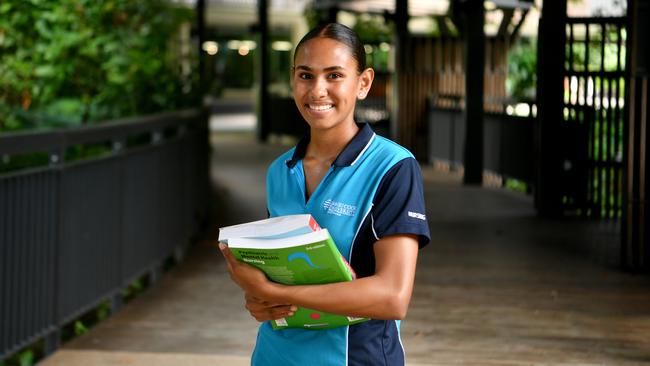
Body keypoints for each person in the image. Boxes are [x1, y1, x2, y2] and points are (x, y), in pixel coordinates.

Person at [219, 22, 430, 366]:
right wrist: (259, 300)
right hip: (275, 356)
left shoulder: (393, 167)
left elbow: (393, 297)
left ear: (363, 83)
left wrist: (275, 293)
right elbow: (282, 271)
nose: (317, 90)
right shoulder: (281, 170)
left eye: (334, 76)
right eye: (306, 76)